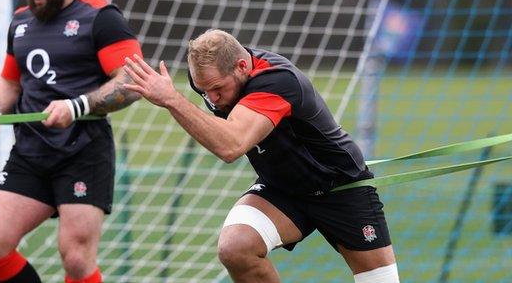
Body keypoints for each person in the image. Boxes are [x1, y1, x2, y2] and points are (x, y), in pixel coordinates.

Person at [123, 29, 399, 283]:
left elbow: (231, 145)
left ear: (242, 66)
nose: (212, 98)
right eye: (204, 90)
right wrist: (189, 96)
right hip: (282, 188)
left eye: (218, 88)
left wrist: (172, 100)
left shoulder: (277, 81)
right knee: (235, 248)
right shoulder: (212, 83)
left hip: (340, 187)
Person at [0, 0, 142, 282]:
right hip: (31, 153)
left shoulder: (101, 17)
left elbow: (132, 80)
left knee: (76, 259)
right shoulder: (21, 23)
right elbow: (10, 82)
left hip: (83, 152)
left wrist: (77, 106)